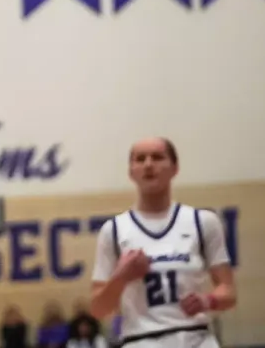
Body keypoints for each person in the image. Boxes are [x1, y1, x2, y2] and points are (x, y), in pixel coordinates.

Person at [89, 138, 236, 347]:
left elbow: (229, 291)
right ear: (131, 172)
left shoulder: (202, 222)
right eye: (140, 159)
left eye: (157, 157)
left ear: (175, 168)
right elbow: (98, 309)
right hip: (141, 339)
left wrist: (207, 301)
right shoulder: (113, 231)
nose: (149, 164)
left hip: (195, 337)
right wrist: (121, 277)